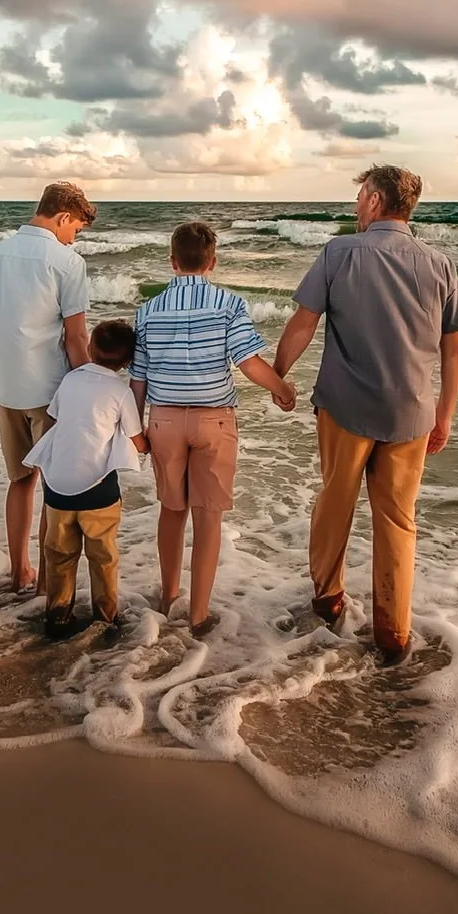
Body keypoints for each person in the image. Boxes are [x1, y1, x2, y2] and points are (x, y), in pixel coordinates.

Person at [273, 166, 458, 665]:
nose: (357, 204)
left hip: (345, 406)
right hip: (411, 412)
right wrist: (444, 415)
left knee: (335, 503)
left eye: (361, 196)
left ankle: (328, 599)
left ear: (377, 201)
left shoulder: (339, 253)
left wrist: (278, 375)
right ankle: (392, 632)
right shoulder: (440, 264)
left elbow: (303, 323)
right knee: (399, 521)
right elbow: (455, 351)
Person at [130, 221, 295, 634]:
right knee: (208, 519)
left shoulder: (148, 311)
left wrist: (136, 429)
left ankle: (169, 599)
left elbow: (139, 378)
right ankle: (199, 614)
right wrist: (282, 389)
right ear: (212, 262)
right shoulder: (228, 303)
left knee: (171, 510)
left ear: (172, 262)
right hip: (213, 420)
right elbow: (247, 361)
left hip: (164, 419)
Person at [0, 182, 96, 593]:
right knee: (54, 488)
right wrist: (92, 386)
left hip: (4, 386)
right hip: (48, 389)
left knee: (19, 480)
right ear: (62, 218)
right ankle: (46, 581)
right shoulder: (66, 262)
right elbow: (77, 339)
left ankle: (17, 571)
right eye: (75, 228)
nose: (73, 236)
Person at [23, 319, 146, 638]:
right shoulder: (120, 391)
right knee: (102, 555)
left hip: (57, 489)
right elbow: (136, 438)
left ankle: (58, 616)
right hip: (97, 491)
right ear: (127, 362)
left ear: (89, 347)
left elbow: (56, 416)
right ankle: (105, 618)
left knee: (59, 555)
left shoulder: (70, 380)